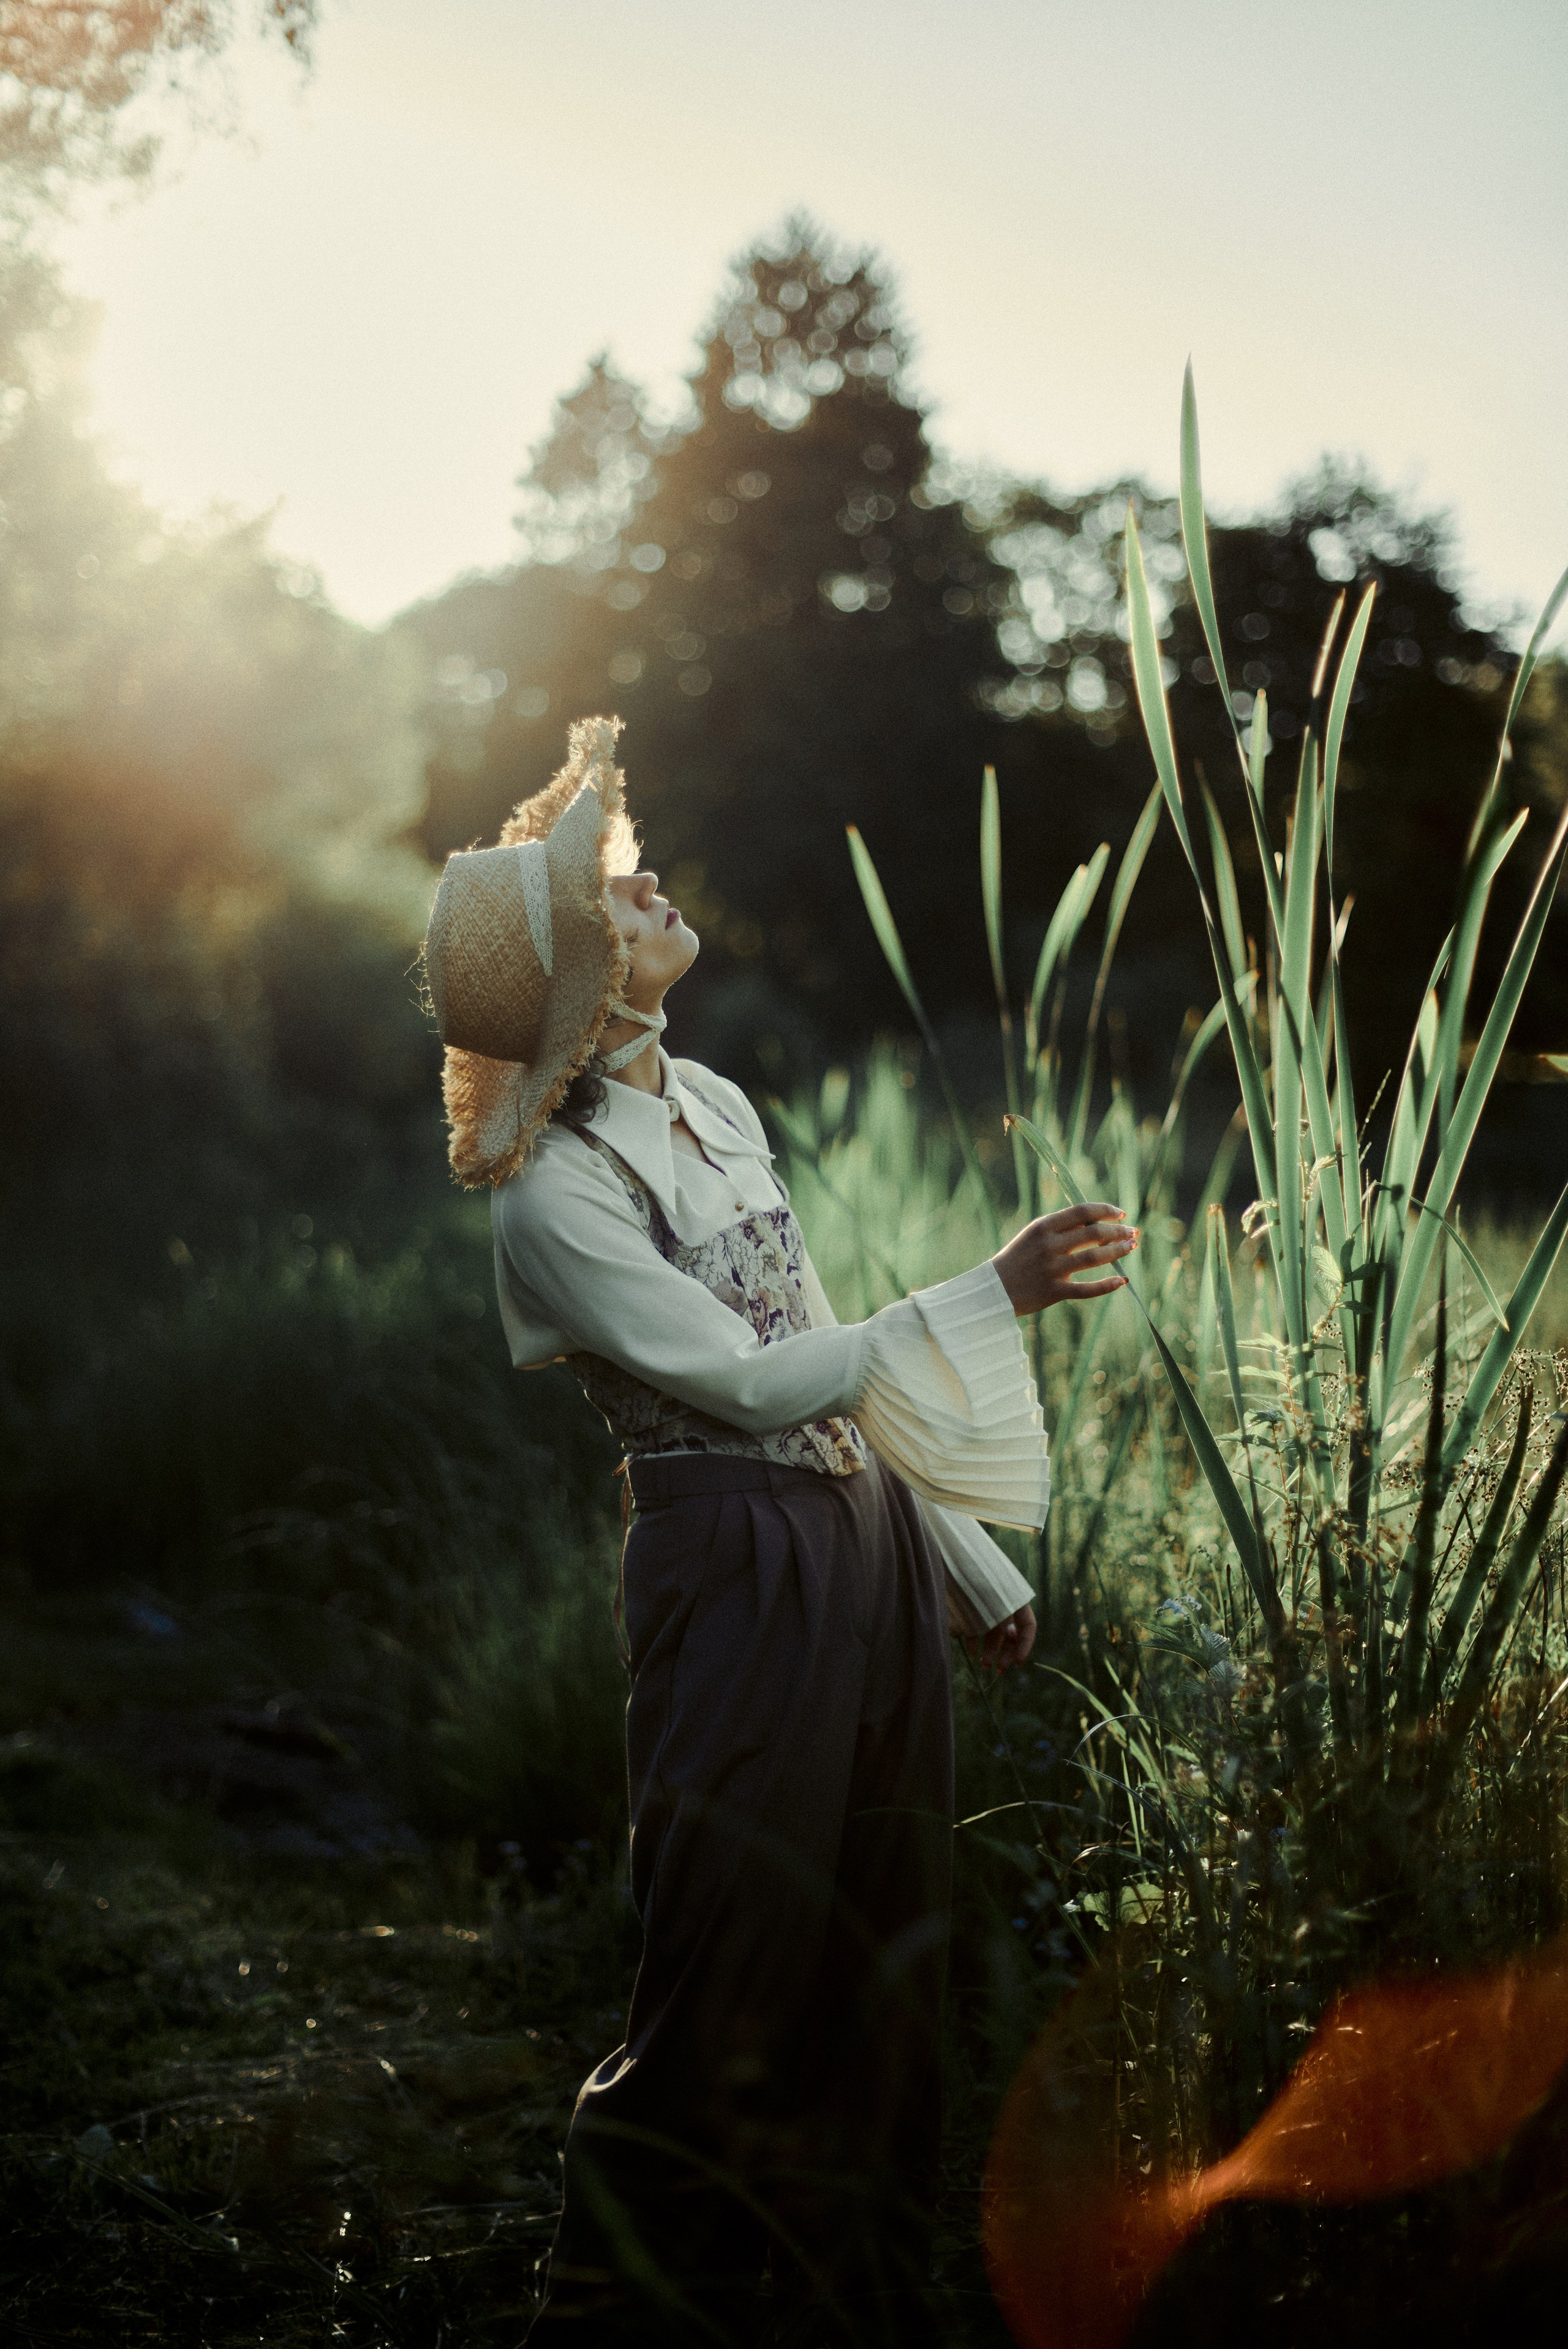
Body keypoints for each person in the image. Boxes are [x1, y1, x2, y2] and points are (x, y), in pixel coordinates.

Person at [421, 718, 1138, 2348]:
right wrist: (989, 1288)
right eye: (610, 887)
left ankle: (849, 2300)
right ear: (567, 973)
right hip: (731, 1560)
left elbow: (815, 1331)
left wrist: (959, 1558)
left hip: (866, 1542)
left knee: (889, 1948)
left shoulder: (724, 1106)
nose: (648, 879)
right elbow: (742, 1386)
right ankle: (606, 2311)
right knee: (731, 1955)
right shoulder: (547, 1191)